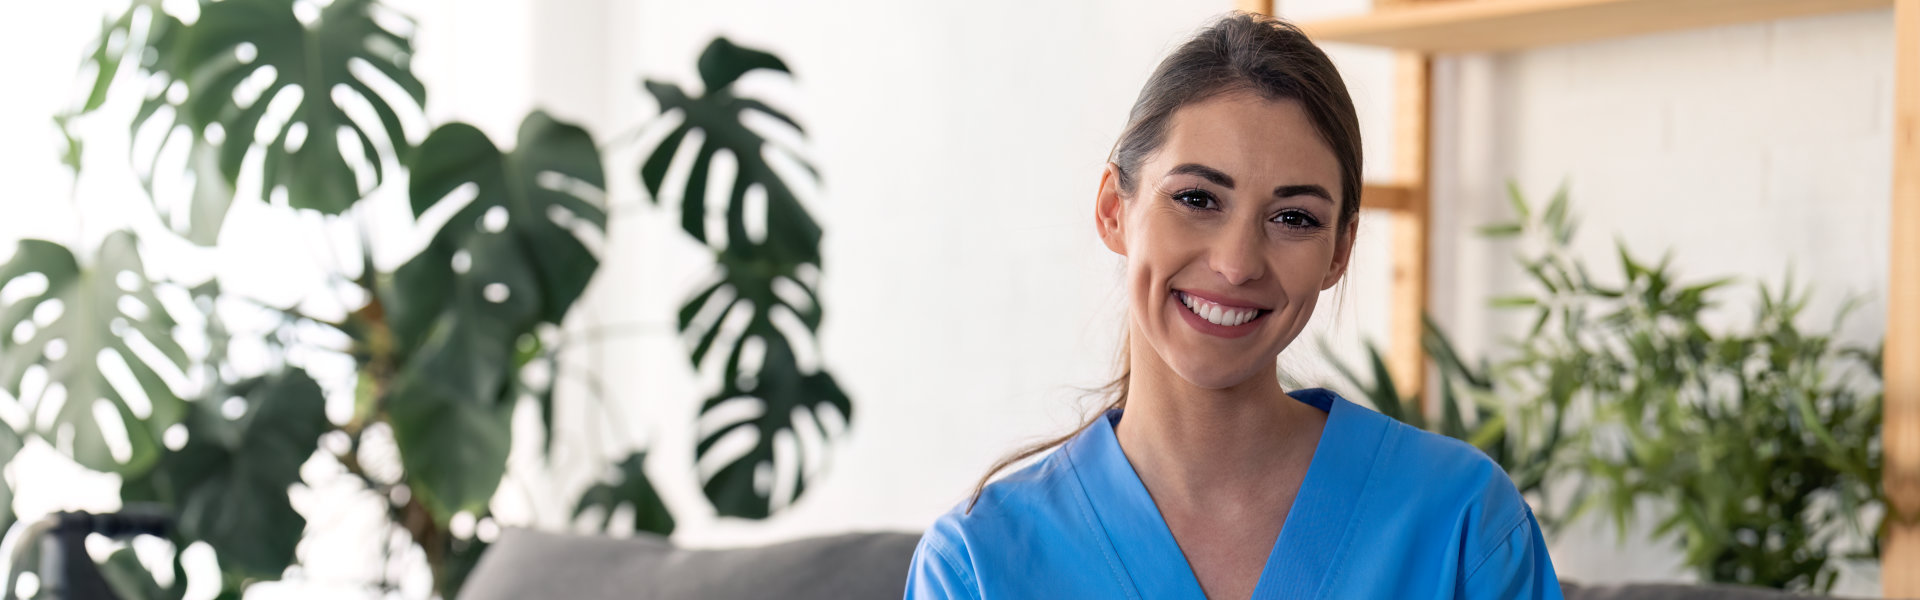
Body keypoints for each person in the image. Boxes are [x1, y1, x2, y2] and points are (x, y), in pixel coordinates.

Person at [903, 11, 1562, 600]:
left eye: (1294, 217)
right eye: (1197, 199)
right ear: (1114, 209)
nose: (1237, 263)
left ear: (1339, 252)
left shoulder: (1461, 526)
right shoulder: (978, 568)